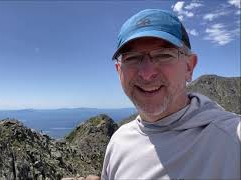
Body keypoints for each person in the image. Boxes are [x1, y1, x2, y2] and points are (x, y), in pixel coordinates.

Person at [101, 9, 241, 179]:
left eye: (163, 55)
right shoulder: (118, 143)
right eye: (132, 58)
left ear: (189, 67)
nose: (147, 73)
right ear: (119, 70)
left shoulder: (232, 138)